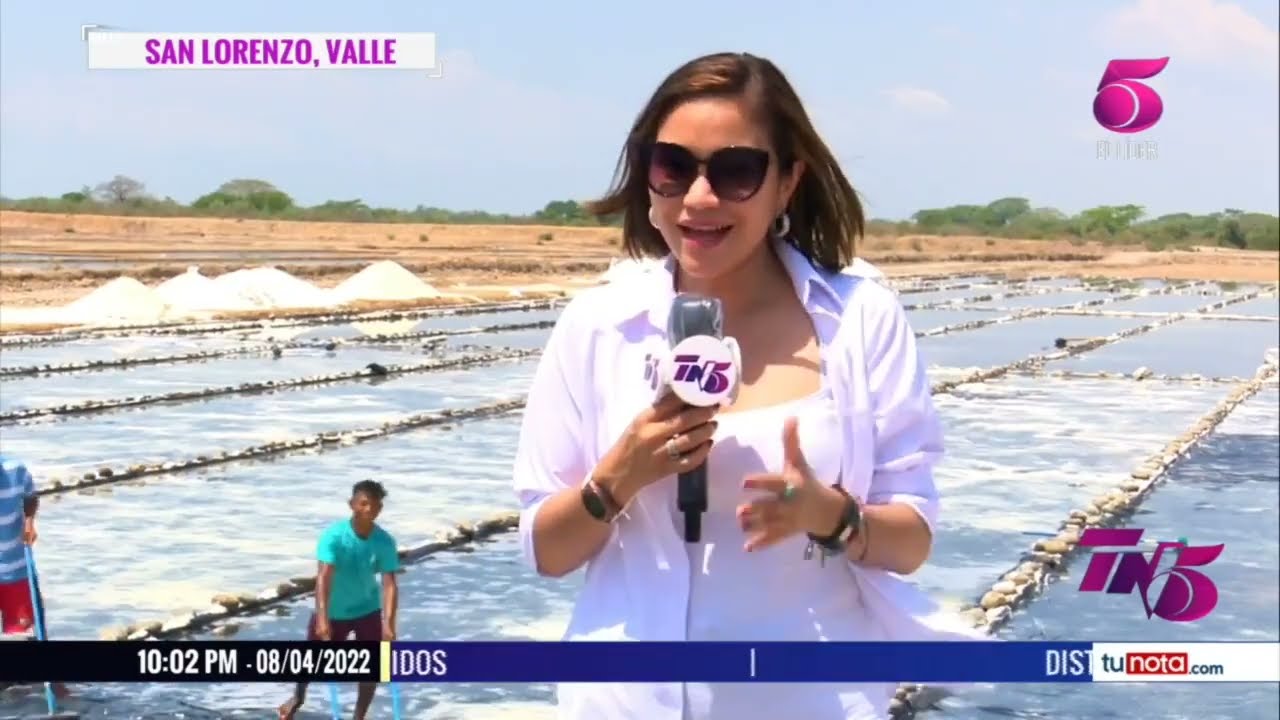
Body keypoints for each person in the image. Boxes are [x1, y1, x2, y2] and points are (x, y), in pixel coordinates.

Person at [512, 52, 979, 720]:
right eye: (673, 166)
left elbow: (911, 539)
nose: (698, 198)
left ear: (788, 182)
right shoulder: (600, 324)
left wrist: (831, 516)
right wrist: (618, 477)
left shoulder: (858, 318)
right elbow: (545, 550)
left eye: (735, 171)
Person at [279, 480, 400, 720]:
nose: (368, 510)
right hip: (334, 610)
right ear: (352, 505)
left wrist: (389, 623)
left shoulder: (384, 541)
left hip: (367, 608)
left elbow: (390, 584)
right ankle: (298, 697)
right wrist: (323, 618)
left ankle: (359, 716)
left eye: (374, 506)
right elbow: (323, 578)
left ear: (380, 509)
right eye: (363, 504)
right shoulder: (333, 536)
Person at [0, 453, 69, 698]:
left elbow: (30, 497)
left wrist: (29, 522)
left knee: (35, 632)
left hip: (17, 568)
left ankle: (55, 687)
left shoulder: (15, 470)